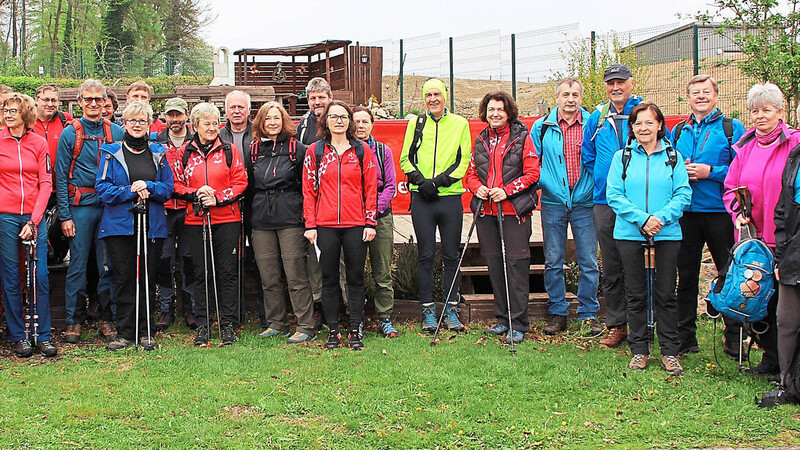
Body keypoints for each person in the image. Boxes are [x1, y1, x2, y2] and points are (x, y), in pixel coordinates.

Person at [606, 102, 691, 376]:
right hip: (629, 234)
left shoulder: (673, 157)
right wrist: (642, 219)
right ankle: (639, 349)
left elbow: (683, 194)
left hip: (666, 234)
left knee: (666, 294)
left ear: (659, 125)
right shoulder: (622, 157)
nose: (643, 128)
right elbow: (614, 195)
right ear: (631, 128)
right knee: (636, 294)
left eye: (649, 122)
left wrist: (661, 218)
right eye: (638, 123)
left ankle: (669, 351)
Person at [723, 82, 800, 377]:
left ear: (780, 112)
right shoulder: (744, 147)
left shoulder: (794, 144)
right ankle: (769, 356)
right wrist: (737, 214)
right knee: (758, 295)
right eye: (755, 111)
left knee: (785, 302)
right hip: (754, 238)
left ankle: (789, 361)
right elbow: (731, 188)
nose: (760, 116)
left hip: (785, 236)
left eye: (766, 110)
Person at [671, 74, 746, 357]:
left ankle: (734, 338)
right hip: (687, 213)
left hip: (720, 213)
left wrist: (710, 172)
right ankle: (685, 338)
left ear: (716, 96)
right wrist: (682, 170)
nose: (700, 97)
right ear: (687, 98)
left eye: (706, 92)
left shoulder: (731, 129)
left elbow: (742, 171)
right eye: (695, 93)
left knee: (728, 274)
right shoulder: (678, 131)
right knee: (686, 276)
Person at [96, 101, 174, 351]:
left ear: (149, 123)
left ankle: (147, 330)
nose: (137, 124)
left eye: (142, 120)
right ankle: (126, 332)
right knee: (124, 279)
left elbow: (168, 189)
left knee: (147, 278)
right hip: (120, 227)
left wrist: (149, 187)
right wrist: (129, 190)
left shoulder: (159, 153)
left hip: (151, 226)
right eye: (132, 120)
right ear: (125, 123)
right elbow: (102, 188)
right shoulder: (110, 152)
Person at [464, 92, 539, 343]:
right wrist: (478, 188)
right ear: (485, 112)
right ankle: (501, 319)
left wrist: (506, 190)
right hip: (486, 211)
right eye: (491, 109)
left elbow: (532, 174)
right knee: (494, 264)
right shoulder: (481, 139)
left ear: (509, 113)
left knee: (516, 266)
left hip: (513, 211)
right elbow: (471, 174)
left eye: (500, 109)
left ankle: (518, 322)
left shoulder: (522, 137)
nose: (495, 114)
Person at [302, 100, 377, 350]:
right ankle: (333, 330)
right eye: (333, 117)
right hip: (325, 226)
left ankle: (355, 329)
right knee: (329, 279)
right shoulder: (315, 151)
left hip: (356, 224)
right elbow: (309, 191)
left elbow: (370, 188)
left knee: (355, 278)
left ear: (350, 121)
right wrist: (310, 225)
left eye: (343, 116)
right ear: (325, 121)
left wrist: (370, 221)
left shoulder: (362, 150)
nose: (338, 121)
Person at [399, 78, 472, 333]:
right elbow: (405, 158)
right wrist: (421, 182)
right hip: (422, 198)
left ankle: (451, 310)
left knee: (452, 255)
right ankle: (428, 311)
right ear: (424, 97)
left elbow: (463, 162)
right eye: (428, 95)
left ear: (445, 96)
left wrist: (438, 182)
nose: (433, 99)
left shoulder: (460, 124)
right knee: (426, 255)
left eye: (437, 94)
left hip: (449, 196)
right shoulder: (415, 123)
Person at [532, 77, 601, 337]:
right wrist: (549, 185)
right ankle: (557, 311)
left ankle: (588, 314)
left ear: (581, 98)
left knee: (589, 261)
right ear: (557, 98)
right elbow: (533, 164)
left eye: (575, 94)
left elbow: (599, 158)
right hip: (553, 202)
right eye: (565, 95)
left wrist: (591, 186)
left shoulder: (594, 124)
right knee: (553, 260)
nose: (570, 99)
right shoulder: (541, 127)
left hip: (585, 202)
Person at [55, 79, 124, 344]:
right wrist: (65, 216)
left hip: (108, 208)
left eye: (99, 99)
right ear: (80, 101)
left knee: (107, 264)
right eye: (88, 99)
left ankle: (107, 317)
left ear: (105, 101)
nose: (94, 104)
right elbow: (60, 176)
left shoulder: (115, 132)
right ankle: (74, 320)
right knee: (78, 265)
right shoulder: (70, 133)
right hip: (79, 207)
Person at [173, 103, 247, 346]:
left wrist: (218, 197)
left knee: (227, 272)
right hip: (195, 220)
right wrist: (196, 193)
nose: (213, 128)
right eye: (207, 123)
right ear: (195, 126)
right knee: (201, 272)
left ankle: (228, 323)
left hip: (227, 218)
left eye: (216, 123)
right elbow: (176, 185)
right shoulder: (184, 152)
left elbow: (240, 182)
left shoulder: (229, 150)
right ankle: (203, 324)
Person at [582, 63, 643, 348]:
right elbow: (588, 154)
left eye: (621, 81)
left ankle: (644, 324)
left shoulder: (645, 113)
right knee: (611, 266)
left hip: (640, 203)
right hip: (604, 202)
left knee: (642, 264)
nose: (616, 87)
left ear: (631, 83)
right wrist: (604, 181)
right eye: (610, 83)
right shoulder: (597, 116)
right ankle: (617, 324)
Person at [247, 101, 314, 343]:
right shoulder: (253, 150)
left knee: (295, 275)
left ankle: (305, 324)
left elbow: (306, 186)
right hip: (261, 218)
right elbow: (250, 187)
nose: (272, 122)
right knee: (269, 275)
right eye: (267, 119)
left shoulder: (299, 149)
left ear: (284, 120)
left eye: (276, 118)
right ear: (260, 123)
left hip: (290, 217)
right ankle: (277, 322)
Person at [0, 93, 57, 358]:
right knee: (11, 277)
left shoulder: (38, 142)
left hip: (33, 216)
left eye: (13, 110)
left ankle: (43, 335)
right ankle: (19, 335)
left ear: (25, 113)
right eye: (5, 110)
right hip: (6, 217)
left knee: (40, 276)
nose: (8, 114)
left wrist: (34, 222)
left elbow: (46, 182)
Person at [353, 106, 398, 337]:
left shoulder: (383, 151)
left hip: (380, 217)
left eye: (365, 122)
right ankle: (356, 317)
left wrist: (374, 209)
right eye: (357, 122)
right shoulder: (346, 150)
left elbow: (391, 185)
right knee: (354, 272)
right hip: (353, 218)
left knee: (382, 271)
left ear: (372, 124)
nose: (361, 126)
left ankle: (385, 317)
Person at [218, 89, 260, 328]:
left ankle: (259, 311)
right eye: (232, 107)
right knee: (230, 258)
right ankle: (231, 312)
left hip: (256, 200)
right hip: (226, 202)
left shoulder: (257, 132)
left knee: (257, 255)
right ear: (226, 110)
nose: (236, 111)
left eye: (241, 107)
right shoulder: (219, 134)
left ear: (248, 109)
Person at [154, 97, 196, 330]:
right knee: (164, 259)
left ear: (186, 116)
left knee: (189, 259)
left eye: (178, 115)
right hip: (165, 209)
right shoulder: (156, 142)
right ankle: (167, 308)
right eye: (170, 115)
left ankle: (190, 308)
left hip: (189, 209)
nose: (175, 120)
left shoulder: (195, 140)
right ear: (164, 117)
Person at [296, 77, 333, 329]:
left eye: (321, 97)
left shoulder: (340, 118)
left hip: (336, 200)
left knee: (338, 259)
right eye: (312, 98)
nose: (317, 102)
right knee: (314, 259)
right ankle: (319, 306)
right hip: (311, 199)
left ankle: (341, 309)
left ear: (329, 97)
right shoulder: (302, 125)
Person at [773, 108, 800, 401]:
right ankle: (787, 383)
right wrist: (781, 255)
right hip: (794, 250)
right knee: (787, 320)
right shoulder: (795, 157)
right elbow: (783, 211)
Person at [32, 83, 73, 171]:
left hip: (60, 178)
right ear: (36, 100)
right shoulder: (28, 122)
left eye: (53, 100)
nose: (50, 104)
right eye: (46, 100)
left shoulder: (65, 119)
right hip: (35, 177)